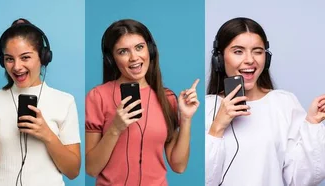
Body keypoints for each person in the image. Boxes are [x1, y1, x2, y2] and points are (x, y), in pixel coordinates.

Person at [205, 17, 325, 186]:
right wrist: (217, 127)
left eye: (257, 51)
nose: (250, 60)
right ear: (219, 59)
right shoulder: (206, 108)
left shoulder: (284, 103)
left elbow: (301, 179)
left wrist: (312, 123)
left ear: (266, 59)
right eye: (238, 51)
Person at [0, 19, 81, 186]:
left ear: (43, 57)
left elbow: (72, 171)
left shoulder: (65, 101)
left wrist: (47, 134)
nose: (17, 67)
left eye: (25, 57)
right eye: (9, 59)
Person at [84, 19, 199, 186]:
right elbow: (91, 169)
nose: (134, 58)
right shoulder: (98, 96)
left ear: (150, 50)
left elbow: (179, 166)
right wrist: (115, 128)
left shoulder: (167, 98)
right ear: (112, 59)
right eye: (123, 51)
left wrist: (186, 119)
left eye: (139, 47)